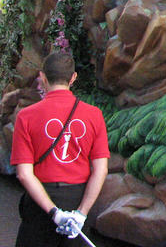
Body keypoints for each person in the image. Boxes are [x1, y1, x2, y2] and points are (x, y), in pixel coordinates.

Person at [11, 52, 110, 246]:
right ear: (73, 78)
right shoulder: (94, 115)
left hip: (40, 202)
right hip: (77, 199)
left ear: (42, 77)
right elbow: (101, 170)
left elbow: (24, 174)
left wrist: (54, 213)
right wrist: (81, 213)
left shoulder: (26, 116)